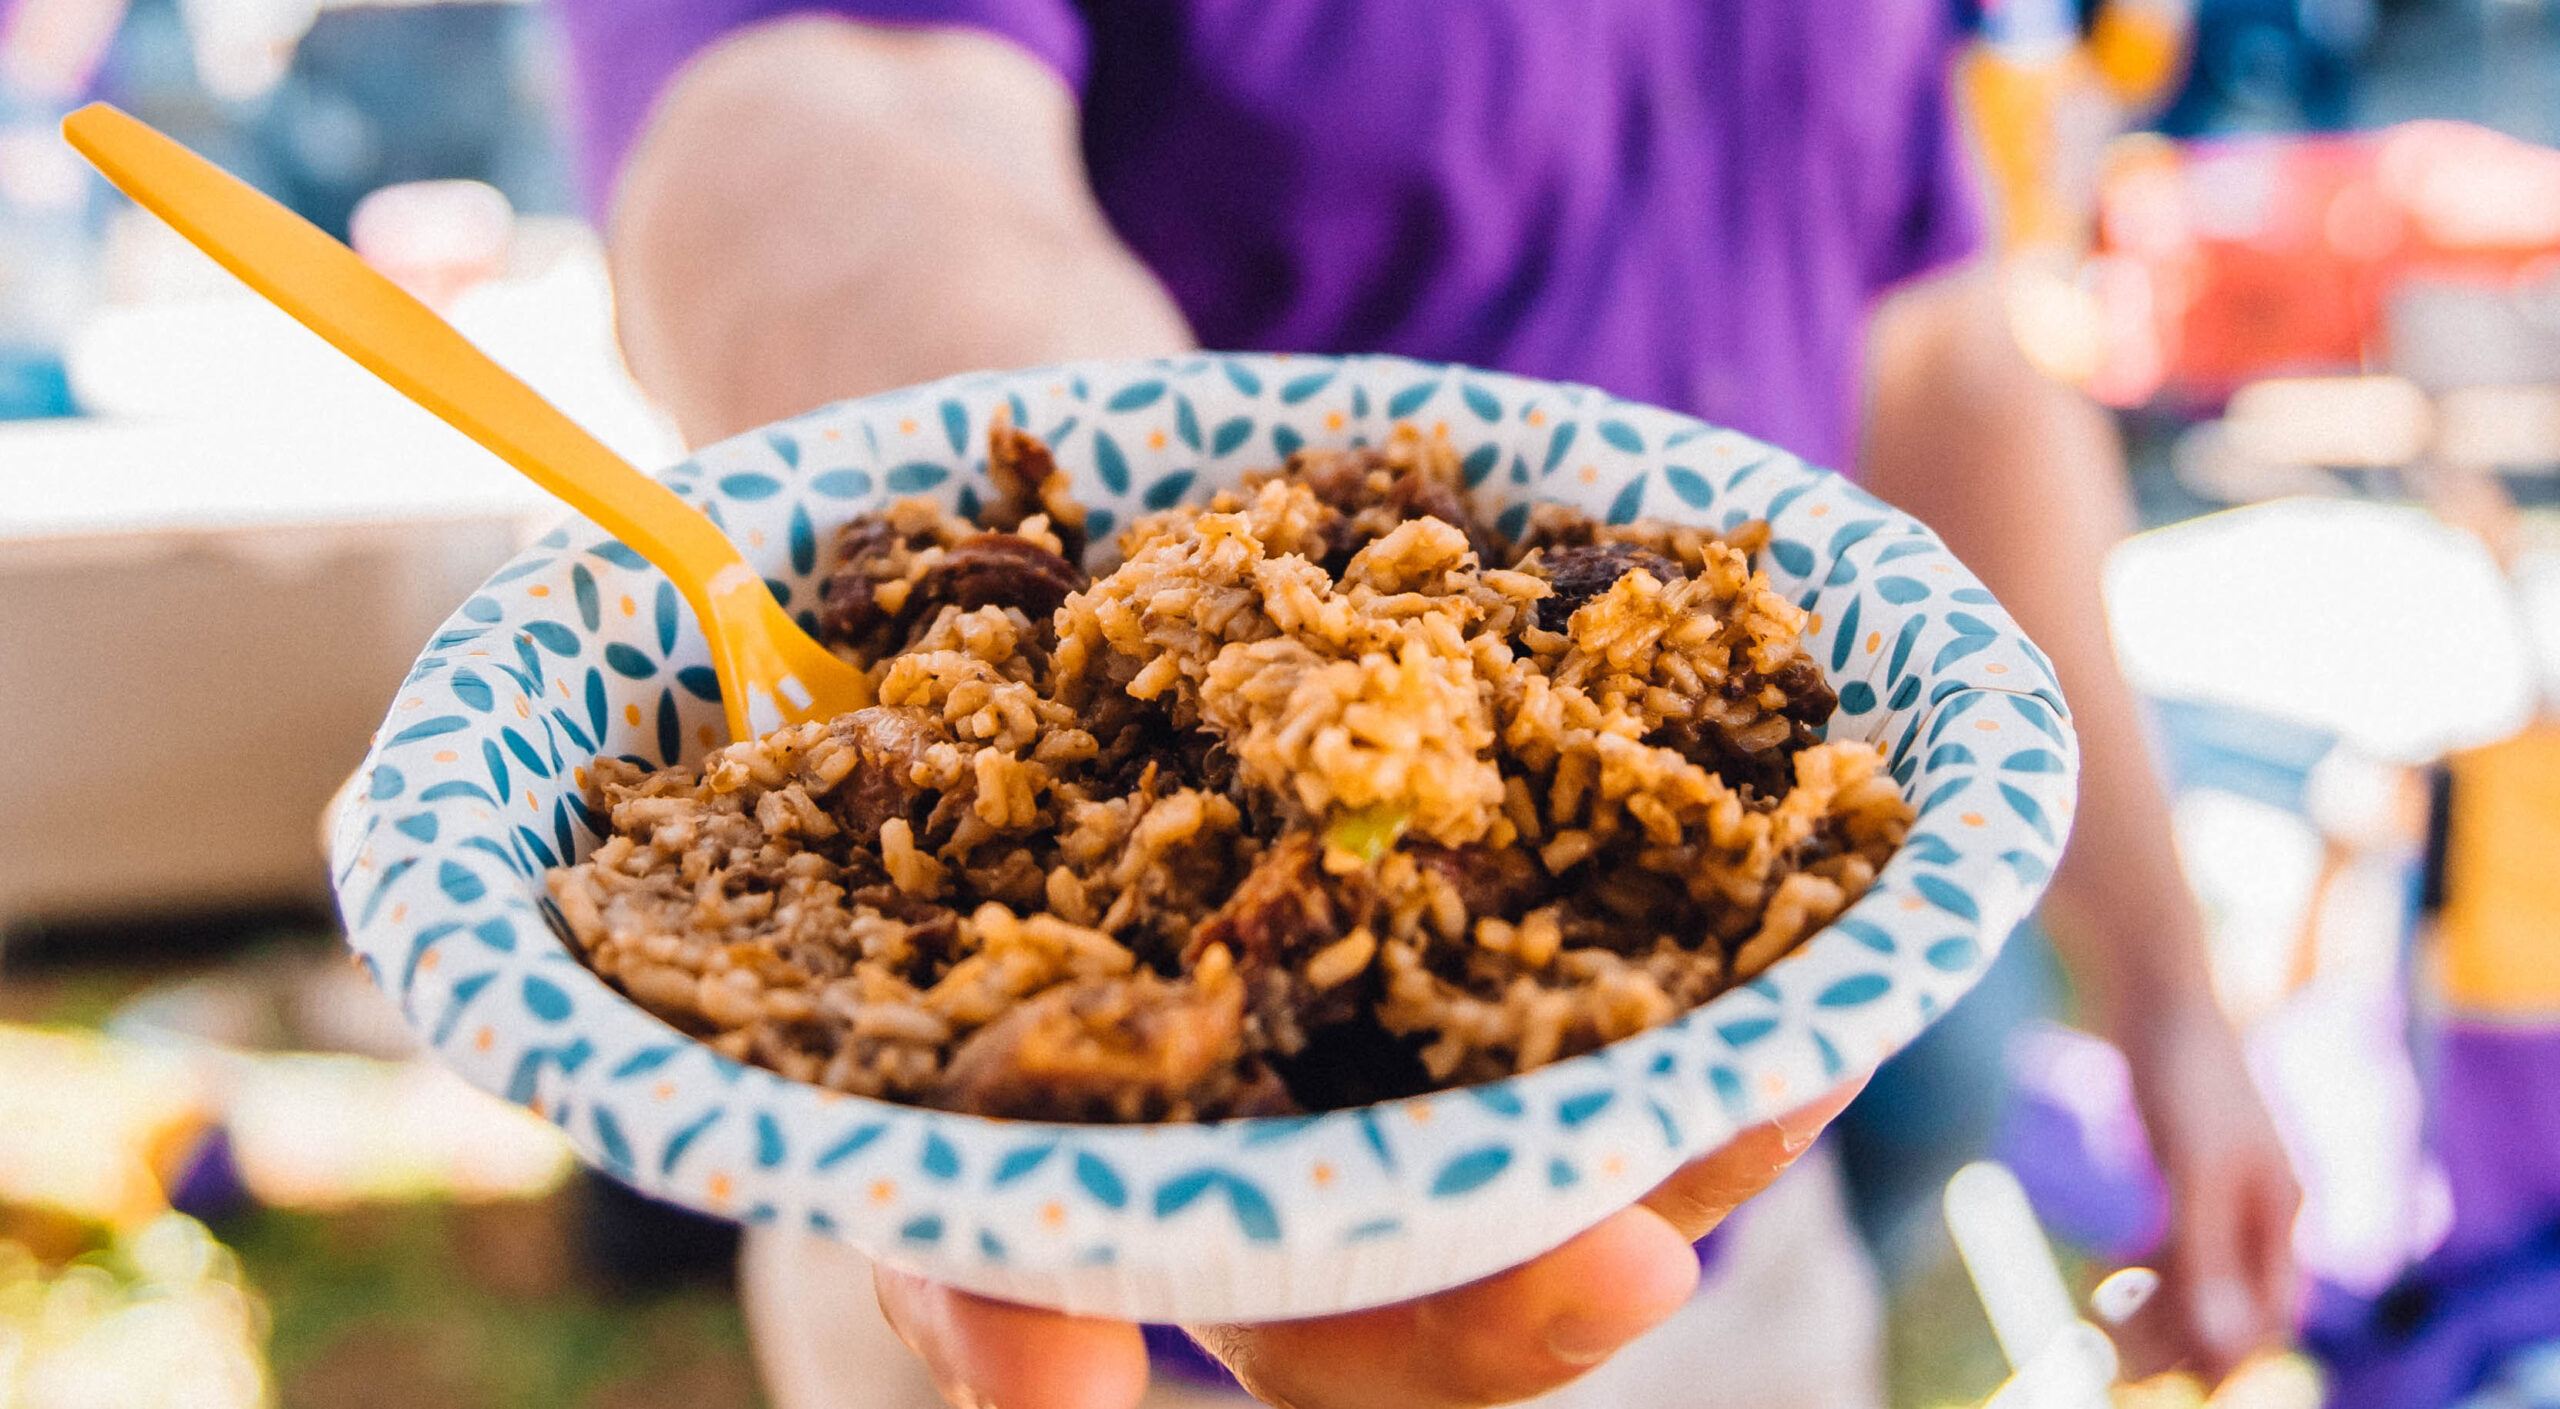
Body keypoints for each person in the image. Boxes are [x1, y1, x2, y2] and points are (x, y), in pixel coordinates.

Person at [548, 4, 2302, 1405]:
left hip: (1722, 1229)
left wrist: (2170, 984)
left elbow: (1939, 352)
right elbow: (829, 111)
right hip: (1099, 1278)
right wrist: (1136, 593)